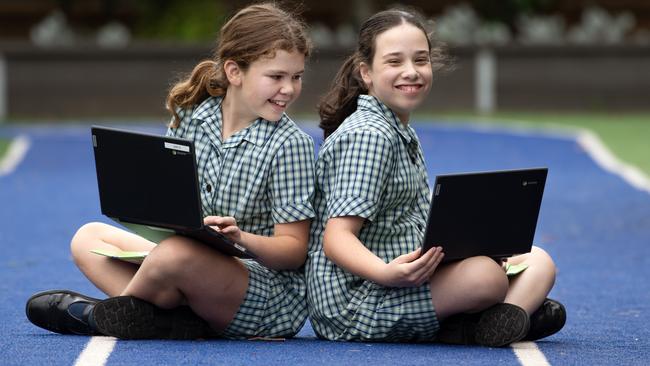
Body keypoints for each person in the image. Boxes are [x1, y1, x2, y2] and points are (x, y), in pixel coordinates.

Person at [26, 3, 316, 340]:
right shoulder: (192, 116)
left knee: (175, 255)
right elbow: (169, 208)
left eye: (296, 77)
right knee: (87, 238)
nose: (290, 89)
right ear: (235, 72)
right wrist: (143, 208)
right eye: (276, 77)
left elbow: (293, 251)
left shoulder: (291, 143)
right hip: (184, 259)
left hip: (265, 294)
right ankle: (170, 320)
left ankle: (97, 316)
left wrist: (239, 238)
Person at [306, 8, 565, 347]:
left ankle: (493, 322)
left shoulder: (399, 130)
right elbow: (336, 238)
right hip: (359, 300)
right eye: (395, 62)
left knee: (539, 261)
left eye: (421, 60)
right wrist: (388, 274)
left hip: (412, 270)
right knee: (486, 277)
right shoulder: (369, 135)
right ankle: (472, 325)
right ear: (366, 73)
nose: (411, 72)